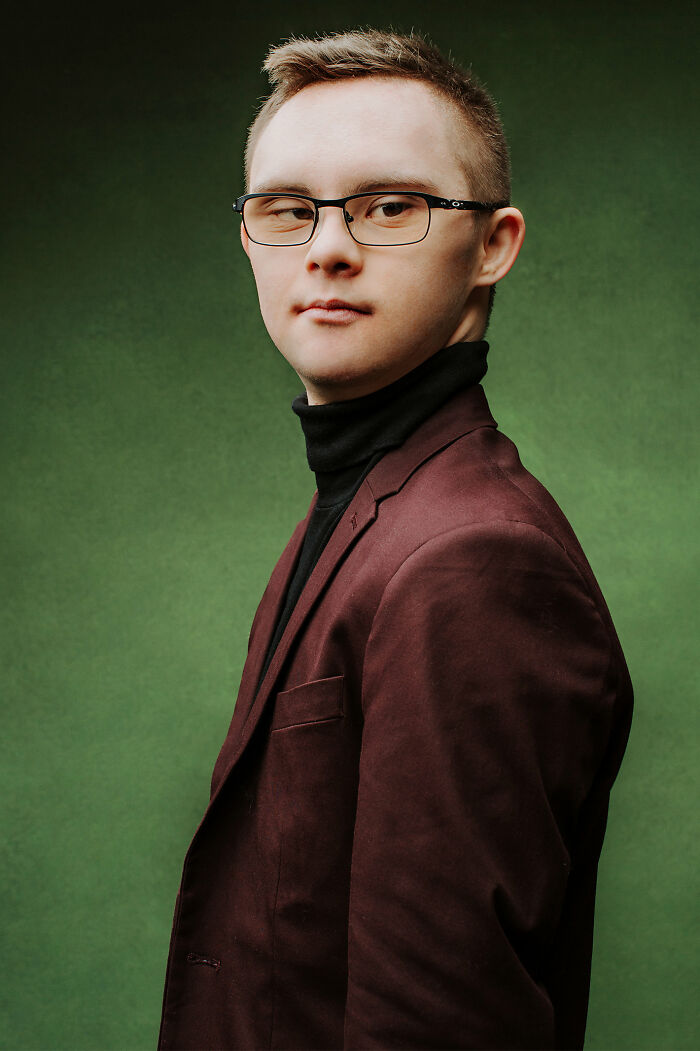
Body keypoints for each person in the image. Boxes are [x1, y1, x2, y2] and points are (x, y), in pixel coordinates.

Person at [157, 28, 633, 1051]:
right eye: (287, 210)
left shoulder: (470, 560)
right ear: (249, 238)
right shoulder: (363, 510)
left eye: (389, 206)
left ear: (492, 244)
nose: (327, 245)